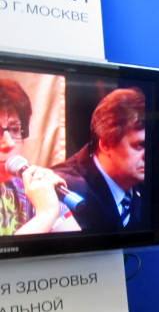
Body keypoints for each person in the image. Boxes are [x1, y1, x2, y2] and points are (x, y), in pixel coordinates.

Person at [53, 88, 145, 231]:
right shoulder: (63, 189)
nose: (148, 155)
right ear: (106, 144)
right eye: (139, 145)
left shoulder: (146, 184)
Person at [0, 78, 78, 235]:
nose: (9, 143)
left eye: (15, 129)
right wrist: (46, 215)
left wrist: (52, 199)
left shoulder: (26, 188)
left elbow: (76, 244)